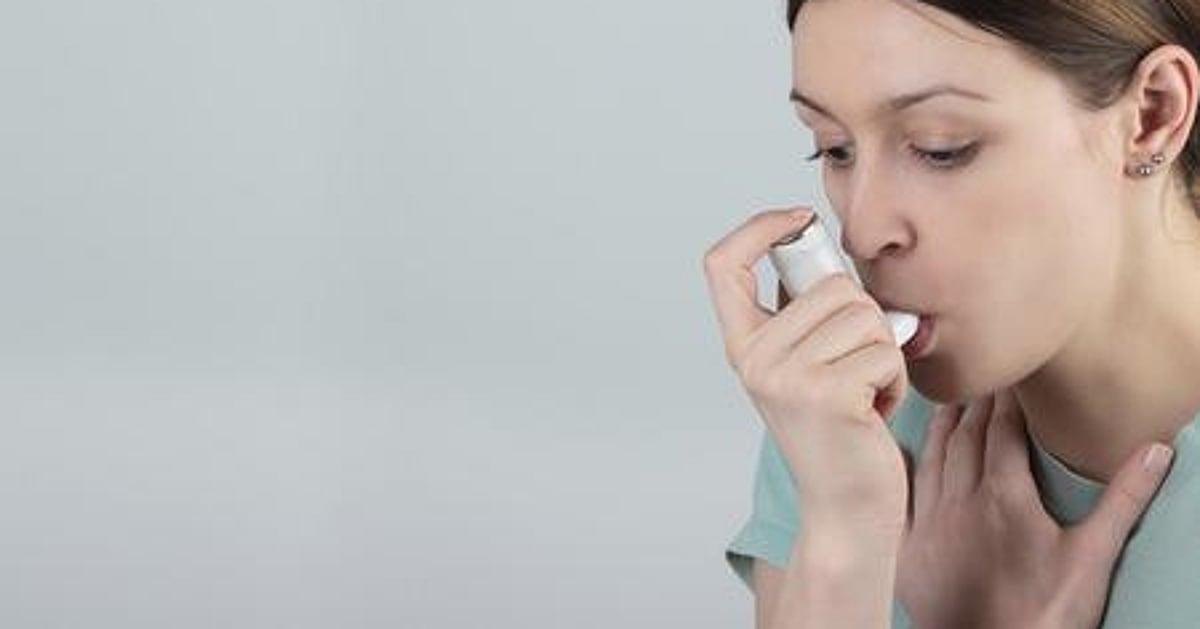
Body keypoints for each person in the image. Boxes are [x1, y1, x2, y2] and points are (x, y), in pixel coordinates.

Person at [701, 0, 1200, 627]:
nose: (861, 232)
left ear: (1154, 112)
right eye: (834, 149)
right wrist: (845, 525)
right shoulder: (840, 423)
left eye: (941, 149)